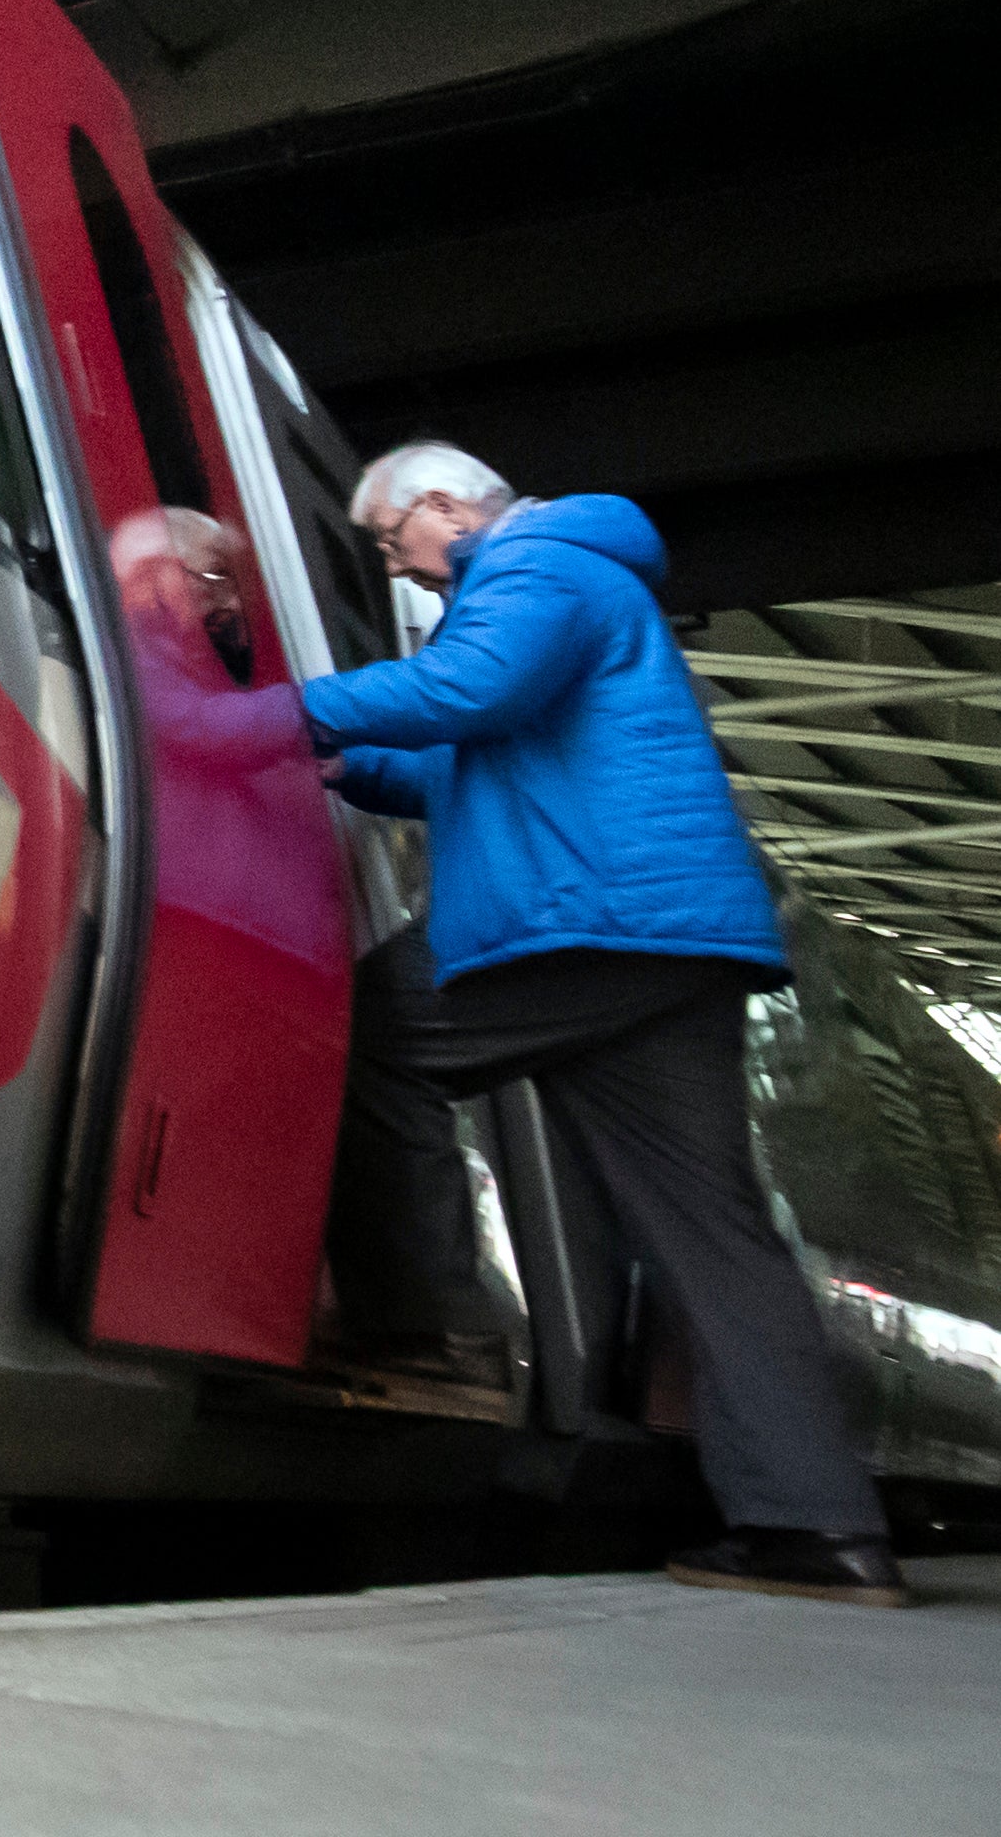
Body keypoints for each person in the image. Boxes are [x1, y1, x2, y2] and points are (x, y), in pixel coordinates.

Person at [297, 443, 910, 1606]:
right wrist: (351, 763)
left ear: (440, 506)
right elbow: (479, 769)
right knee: (717, 1238)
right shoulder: (578, 577)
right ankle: (820, 1530)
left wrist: (283, 708)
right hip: (665, 950)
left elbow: (472, 694)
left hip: (586, 923)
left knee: (372, 1030)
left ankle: (426, 1326)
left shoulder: (535, 563)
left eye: (393, 545)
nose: (406, 573)